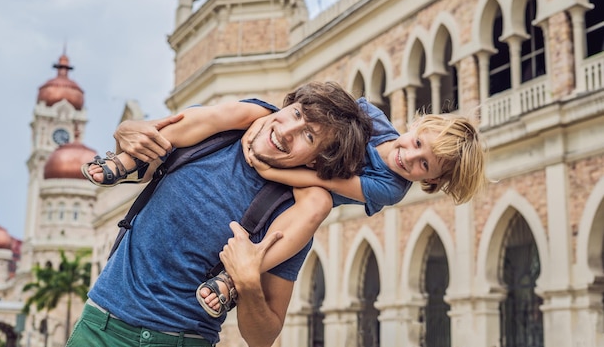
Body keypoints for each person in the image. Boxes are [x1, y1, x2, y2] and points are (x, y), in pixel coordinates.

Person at [83, 96, 488, 318]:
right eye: (417, 143)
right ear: (414, 126)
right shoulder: (374, 116)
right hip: (304, 146)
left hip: (310, 175)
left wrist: (264, 165)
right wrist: (264, 122)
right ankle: (131, 157)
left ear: (429, 181)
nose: (409, 156)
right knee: (243, 111)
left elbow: (321, 180)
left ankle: (233, 277)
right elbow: (324, 113)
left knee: (317, 206)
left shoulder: (390, 188)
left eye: (423, 165)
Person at [66, 81, 372, 347]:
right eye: (296, 114)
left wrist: (248, 282)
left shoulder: (291, 216)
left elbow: (262, 338)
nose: (287, 131)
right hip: (99, 328)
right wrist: (124, 136)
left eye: (308, 136)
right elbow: (149, 154)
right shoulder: (213, 137)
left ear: (317, 162)